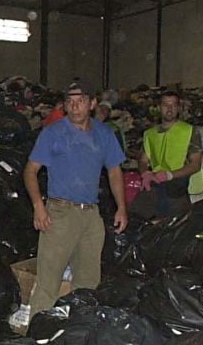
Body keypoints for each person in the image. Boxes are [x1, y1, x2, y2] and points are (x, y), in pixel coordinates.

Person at [23, 80, 127, 321]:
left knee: (88, 282)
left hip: (91, 215)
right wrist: (39, 206)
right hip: (59, 213)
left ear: (92, 104)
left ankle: (81, 331)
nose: (75, 107)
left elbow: (114, 172)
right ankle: (36, 337)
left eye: (80, 102)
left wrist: (121, 208)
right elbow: (30, 171)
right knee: (49, 281)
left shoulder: (104, 134)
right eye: (70, 102)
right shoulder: (53, 133)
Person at [131, 91, 203, 219]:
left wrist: (170, 175)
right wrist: (145, 173)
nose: (169, 109)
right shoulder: (150, 134)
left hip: (177, 189)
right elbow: (143, 160)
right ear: (159, 108)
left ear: (178, 108)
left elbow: (195, 164)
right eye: (165, 105)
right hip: (155, 186)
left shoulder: (189, 131)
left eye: (173, 105)